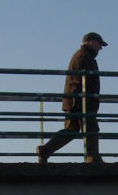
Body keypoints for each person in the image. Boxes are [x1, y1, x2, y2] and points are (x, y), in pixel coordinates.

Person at [37, 32, 108, 163]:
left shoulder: (82, 56)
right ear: (92, 42)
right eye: (99, 44)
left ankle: (45, 150)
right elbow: (81, 81)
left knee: (72, 129)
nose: (100, 48)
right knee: (91, 128)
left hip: (75, 100)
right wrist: (84, 102)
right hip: (81, 101)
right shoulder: (85, 57)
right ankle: (93, 158)